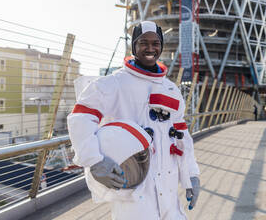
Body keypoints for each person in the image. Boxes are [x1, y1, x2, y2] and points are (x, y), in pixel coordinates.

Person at [67, 21, 200, 220]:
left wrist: (191, 175)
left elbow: (182, 135)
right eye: (143, 42)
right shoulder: (114, 83)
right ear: (134, 47)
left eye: (155, 43)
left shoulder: (171, 89)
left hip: (169, 191)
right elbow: (80, 117)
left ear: (161, 47)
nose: (150, 48)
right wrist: (94, 161)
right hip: (135, 190)